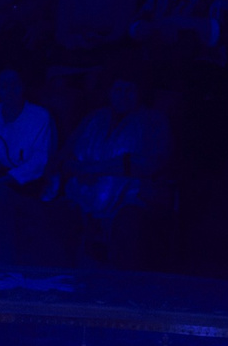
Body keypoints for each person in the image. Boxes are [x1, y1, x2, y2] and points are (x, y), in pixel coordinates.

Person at [65, 77, 162, 265]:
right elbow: (64, 159)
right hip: (82, 199)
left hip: (128, 201)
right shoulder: (93, 118)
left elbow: (153, 163)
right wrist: (78, 168)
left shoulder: (154, 120)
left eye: (129, 89)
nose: (123, 96)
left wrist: (95, 168)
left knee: (129, 224)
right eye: (118, 89)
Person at [0, 67, 55, 261]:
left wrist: (0, 182)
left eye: (14, 85)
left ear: (22, 86)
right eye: (4, 86)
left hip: (27, 187)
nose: (10, 91)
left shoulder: (40, 116)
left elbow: (38, 162)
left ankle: (3, 267)